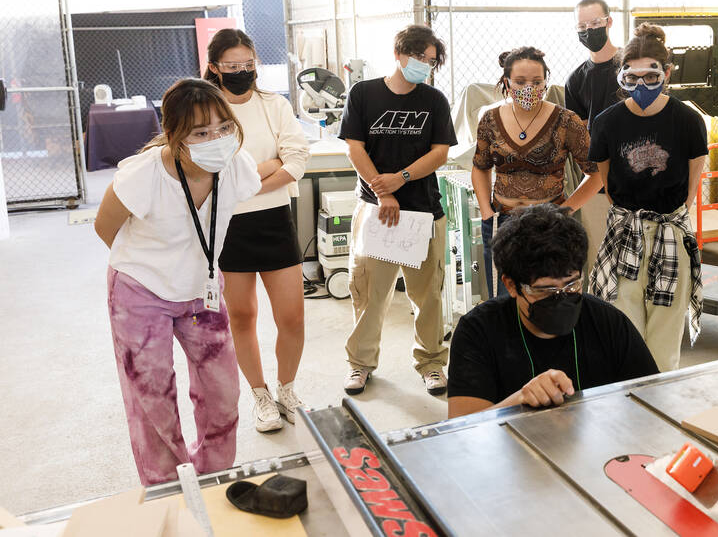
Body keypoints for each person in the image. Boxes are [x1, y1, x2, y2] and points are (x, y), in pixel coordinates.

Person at [93, 78, 261, 485]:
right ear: (173, 135)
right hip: (139, 291)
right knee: (152, 399)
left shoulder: (236, 165)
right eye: (201, 133)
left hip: (200, 290)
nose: (216, 139)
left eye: (223, 127)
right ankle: (167, 488)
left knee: (223, 393)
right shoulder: (144, 174)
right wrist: (152, 265)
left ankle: (213, 475)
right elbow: (104, 228)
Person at [447, 204, 659, 417]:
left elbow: (652, 400)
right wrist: (519, 400)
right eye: (544, 290)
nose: (560, 298)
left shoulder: (607, 322)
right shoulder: (478, 331)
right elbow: (461, 429)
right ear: (511, 285)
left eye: (571, 286)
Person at [339, 24, 458, 396]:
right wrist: (382, 190)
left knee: (428, 295)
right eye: (420, 57)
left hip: (423, 212)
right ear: (399, 53)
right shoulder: (364, 93)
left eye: (431, 61)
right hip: (377, 211)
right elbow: (354, 148)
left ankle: (432, 363)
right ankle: (360, 365)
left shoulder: (434, 100)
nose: (425, 65)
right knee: (369, 292)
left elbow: (440, 152)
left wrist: (401, 179)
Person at [203, 29, 311, 433]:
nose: (242, 72)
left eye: (248, 65)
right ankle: (260, 395)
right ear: (215, 67)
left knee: (293, 317)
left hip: (274, 220)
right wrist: (266, 166)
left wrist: (244, 179)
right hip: (227, 225)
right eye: (232, 67)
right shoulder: (206, 109)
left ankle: (287, 389)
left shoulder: (274, 104)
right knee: (243, 315)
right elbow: (212, 167)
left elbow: (296, 156)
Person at [588, 24, 709, 371]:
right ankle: (629, 402)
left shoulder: (688, 120)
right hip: (625, 230)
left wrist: (666, 221)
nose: (641, 85)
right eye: (632, 76)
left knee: (665, 328)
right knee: (625, 325)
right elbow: (608, 182)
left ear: (667, 73)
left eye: (650, 76)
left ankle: (659, 400)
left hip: (670, 231)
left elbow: (692, 184)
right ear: (621, 76)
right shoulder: (607, 122)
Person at [472, 46, 602, 297]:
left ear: (546, 82)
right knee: (505, 301)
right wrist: (487, 212)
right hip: (503, 223)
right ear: (507, 82)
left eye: (536, 81)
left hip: (550, 226)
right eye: (520, 81)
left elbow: (596, 173)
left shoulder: (567, 121)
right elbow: (480, 167)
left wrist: (567, 210)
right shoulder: (489, 120)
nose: (528, 88)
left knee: (550, 300)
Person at [565, 0, 620, 274]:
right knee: (603, 264)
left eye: (595, 23)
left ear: (609, 22)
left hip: (640, 180)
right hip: (600, 186)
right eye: (581, 26)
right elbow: (580, 138)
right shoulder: (576, 80)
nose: (588, 31)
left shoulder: (630, 69)